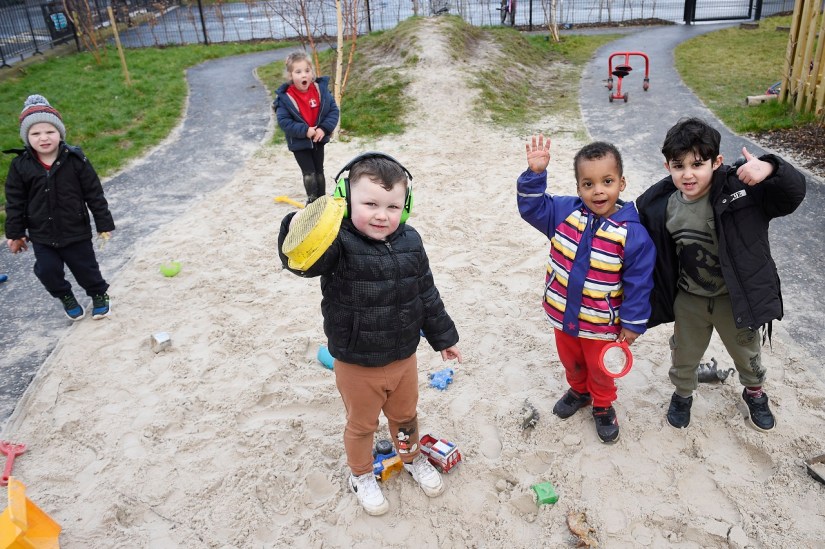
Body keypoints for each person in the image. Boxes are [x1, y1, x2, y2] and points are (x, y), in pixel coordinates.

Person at [277, 152, 462, 516]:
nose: (382, 215)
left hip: (403, 356)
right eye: (370, 204)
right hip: (356, 362)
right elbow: (301, 263)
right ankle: (361, 474)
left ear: (405, 207)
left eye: (393, 206)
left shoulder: (411, 241)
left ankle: (411, 457)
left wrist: (444, 337)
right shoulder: (337, 242)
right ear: (346, 200)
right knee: (362, 425)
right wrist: (298, 224)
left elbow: (426, 293)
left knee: (405, 417)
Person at [636, 117, 806, 432]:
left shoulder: (743, 191)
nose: (688, 174)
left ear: (716, 162)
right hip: (690, 298)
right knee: (684, 353)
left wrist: (770, 168)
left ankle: (755, 392)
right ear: (667, 166)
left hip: (734, 299)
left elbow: (792, 195)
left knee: (747, 351)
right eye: (678, 166)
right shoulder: (661, 206)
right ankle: (683, 394)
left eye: (697, 164)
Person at [517, 135, 655, 444]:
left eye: (607, 181)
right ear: (578, 188)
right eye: (588, 184)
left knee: (601, 368)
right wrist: (535, 175)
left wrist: (632, 323)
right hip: (563, 313)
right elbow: (532, 207)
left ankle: (603, 405)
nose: (598, 191)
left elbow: (639, 283)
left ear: (621, 183)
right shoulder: (564, 213)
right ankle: (579, 391)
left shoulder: (632, 234)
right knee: (571, 359)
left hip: (601, 324)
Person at [4, 94, 114, 321]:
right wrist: (15, 233)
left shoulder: (76, 159)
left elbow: (94, 194)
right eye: (35, 133)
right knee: (47, 271)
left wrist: (103, 223)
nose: (44, 138)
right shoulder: (20, 165)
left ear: (60, 133)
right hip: (42, 234)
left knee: (86, 268)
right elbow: (15, 201)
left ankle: (98, 294)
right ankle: (65, 296)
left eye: (50, 131)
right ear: (27, 137)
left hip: (75, 229)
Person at [273, 51, 340, 204]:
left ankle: (321, 200)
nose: (304, 75)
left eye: (307, 71)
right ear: (290, 75)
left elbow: (333, 111)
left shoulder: (320, 91)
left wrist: (323, 129)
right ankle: (312, 200)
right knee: (309, 173)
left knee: (319, 171)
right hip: (299, 142)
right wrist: (305, 130)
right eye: (298, 72)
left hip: (318, 139)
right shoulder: (285, 97)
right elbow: (284, 121)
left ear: (312, 72)